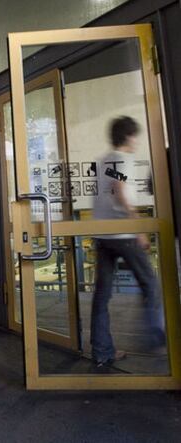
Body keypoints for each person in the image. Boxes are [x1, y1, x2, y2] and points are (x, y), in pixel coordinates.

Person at [90, 116, 165, 367]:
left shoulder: (102, 161)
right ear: (128, 136)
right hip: (123, 235)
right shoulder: (123, 159)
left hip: (102, 236)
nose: (137, 141)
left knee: (102, 296)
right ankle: (158, 340)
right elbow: (120, 189)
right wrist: (137, 227)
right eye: (135, 136)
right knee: (151, 284)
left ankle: (102, 351)